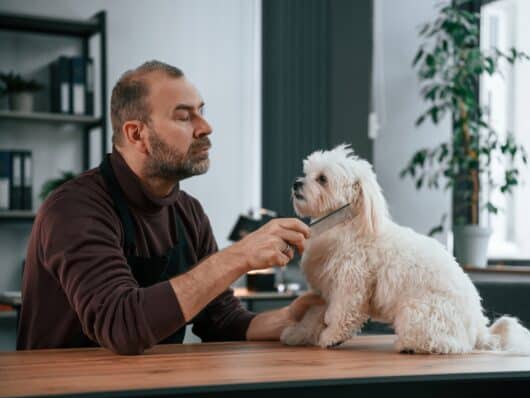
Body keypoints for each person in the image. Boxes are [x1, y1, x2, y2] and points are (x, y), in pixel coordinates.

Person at [17, 60, 322, 355]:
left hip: (151, 385)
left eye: (201, 112)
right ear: (136, 134)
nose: (205, 127)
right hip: (65, 389)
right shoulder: (73, 209)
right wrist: (239, 256)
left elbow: (221, 320)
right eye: (183, 116)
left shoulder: (188, 212)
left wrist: (292, 319)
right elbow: (121, 325)